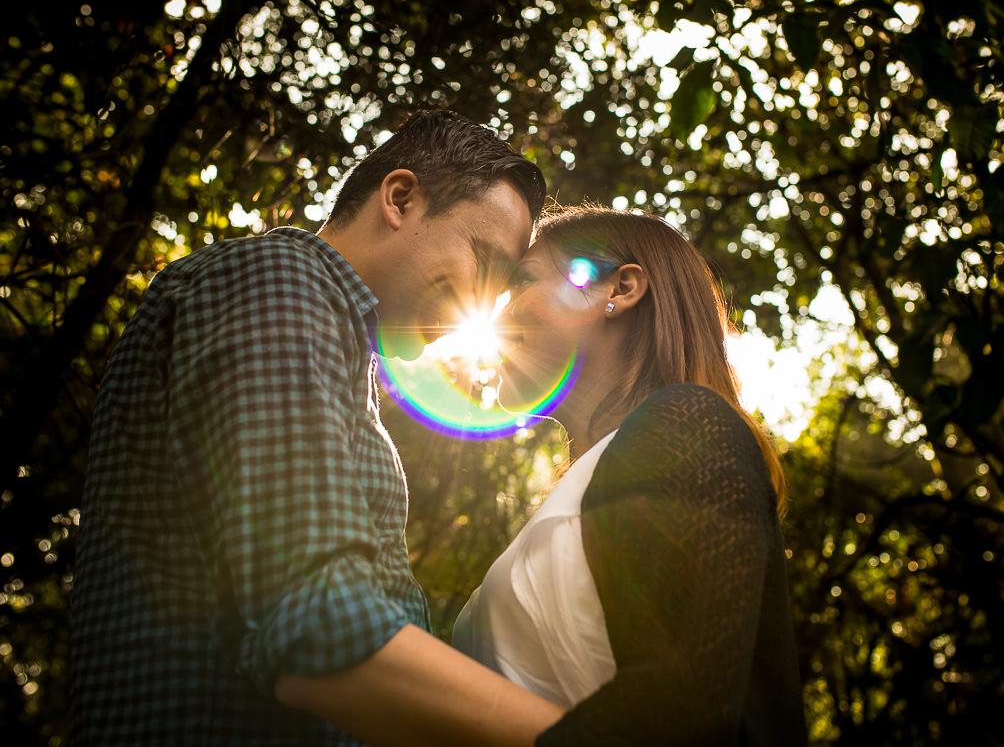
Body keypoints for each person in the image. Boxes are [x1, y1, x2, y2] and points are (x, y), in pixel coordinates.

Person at [71, 110, 566, 747]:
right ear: (400, 197)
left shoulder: (330, 337)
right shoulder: (280, 281)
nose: (484, 305)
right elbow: (320, 625)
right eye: (485, 265)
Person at [453, 208, 807, 745]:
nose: (498, 317)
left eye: (523, 281)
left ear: (619, 289)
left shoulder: (690, 423)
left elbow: (686, 705)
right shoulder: (586, 486)